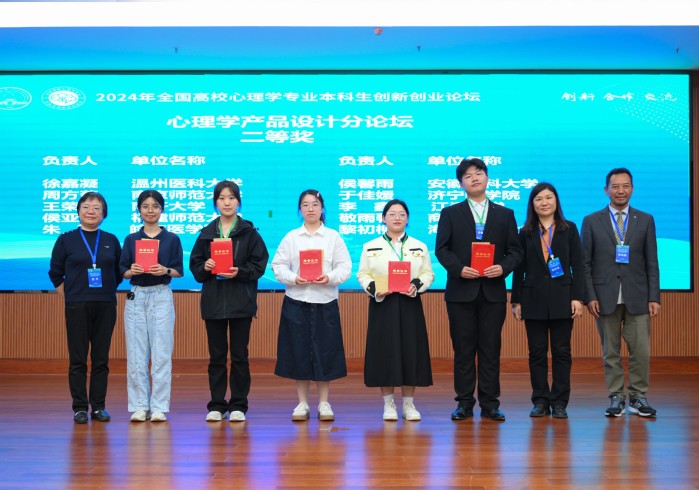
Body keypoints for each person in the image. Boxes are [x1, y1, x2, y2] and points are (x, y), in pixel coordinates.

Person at [435, 157, 522, 422]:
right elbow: (442, 249)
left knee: (490, 350)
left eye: (479, 173)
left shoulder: (505, 214)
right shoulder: (450, 213)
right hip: (461, 292)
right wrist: (459, 268)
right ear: (460, 184)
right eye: (468, 175)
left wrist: (503, 268)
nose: (474, 178)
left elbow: (515, 251)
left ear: (487, 177)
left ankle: (490, 403)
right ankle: (464, 403)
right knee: (463, 350)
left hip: (492, 292)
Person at [582, 168, 660, 418]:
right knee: (611, 352)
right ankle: (616, 396)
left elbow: (652, 261)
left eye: (625, 186)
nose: (620, 191)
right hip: (604, 296)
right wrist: (590, 296)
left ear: (632, 189)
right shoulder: (591, 220)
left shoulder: (645, 219)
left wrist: (654, 297)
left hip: (638, 296)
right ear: (606, 190)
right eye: (615, 186)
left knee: (641, 351)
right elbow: (585, 263)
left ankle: (638, 397)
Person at [189, 180, 269, 423]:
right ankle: (216, 405)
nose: (227, 202)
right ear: (215, 202)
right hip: (213, 303)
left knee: (239, 356)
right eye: (222, 198)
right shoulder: (206, 233)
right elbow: (195, 267)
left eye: (231, 198)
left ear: (238, 202)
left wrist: (240, 271)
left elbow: (259, 265)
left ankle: (238, 405)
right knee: (216, 357)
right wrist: (205, 266)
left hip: (241, 303)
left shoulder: (249, 233)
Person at [271, 190, 351, 422]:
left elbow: (345, 268)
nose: (310, 209)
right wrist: (294, 278)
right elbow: (278, 266)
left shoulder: (333, 237)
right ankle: (302, 403)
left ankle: (324, 403)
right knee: (298, 352)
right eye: (305, 205)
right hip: (296, 301)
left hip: (325, 302)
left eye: (315, 204)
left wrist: (329, 277)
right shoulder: (292, 237)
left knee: (325, 352)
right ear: (300, 210)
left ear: (322, 208)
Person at [356, 199, 435, 421]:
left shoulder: (419, 246)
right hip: (383, 303)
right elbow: (363, 274)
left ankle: (409, 404)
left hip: (410, 302)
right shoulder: (370, 246)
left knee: (411, 350)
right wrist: (374, 289)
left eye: (401, 214)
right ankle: (388, 404)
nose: (397, 218)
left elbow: (428, 273)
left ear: (407, 219)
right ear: (383, 218)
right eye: (392, 214)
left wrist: (417, 285)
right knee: (385, 351)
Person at [510, 183, 584, 419]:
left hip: (563, 297)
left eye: (549, 198)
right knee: (537, 353)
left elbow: (578, 265)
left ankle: (560, 401)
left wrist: (578, 297)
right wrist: (516, 301)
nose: (544, 202)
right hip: (533, 299)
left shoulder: (569, 229)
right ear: (532, 204)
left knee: (562, 352)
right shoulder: (525, 232)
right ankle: (540, 400)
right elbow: (518, 269)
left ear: (556, 201)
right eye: (539, 199)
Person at [48, 191, 122, 424]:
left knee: (101, 359)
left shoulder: (111, 240)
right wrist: (70, 295)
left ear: (104, 214)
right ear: (78, 211)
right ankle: (80, 407)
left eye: (97, 208)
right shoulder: (66, 239)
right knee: (78, 358)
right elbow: (55, 272)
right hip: (77, 305)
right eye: (86, 207)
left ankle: (98, 407)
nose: (91, 211)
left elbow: (118, 273)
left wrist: (104, 291)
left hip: (105, 305)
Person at [120, 190, 184, 423]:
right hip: (136, 296)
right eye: (145, 206)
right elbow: (122, 270)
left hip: (161, 295)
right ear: (139, 210)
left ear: (162, 210)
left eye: (155, 206)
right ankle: (139, 405)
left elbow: (178, 271)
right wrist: (131, 271)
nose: (150, 210)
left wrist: (165, 270)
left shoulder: (172, 239)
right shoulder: (131, 239)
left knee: (161, 353)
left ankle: (158, 407)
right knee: (136, 354)